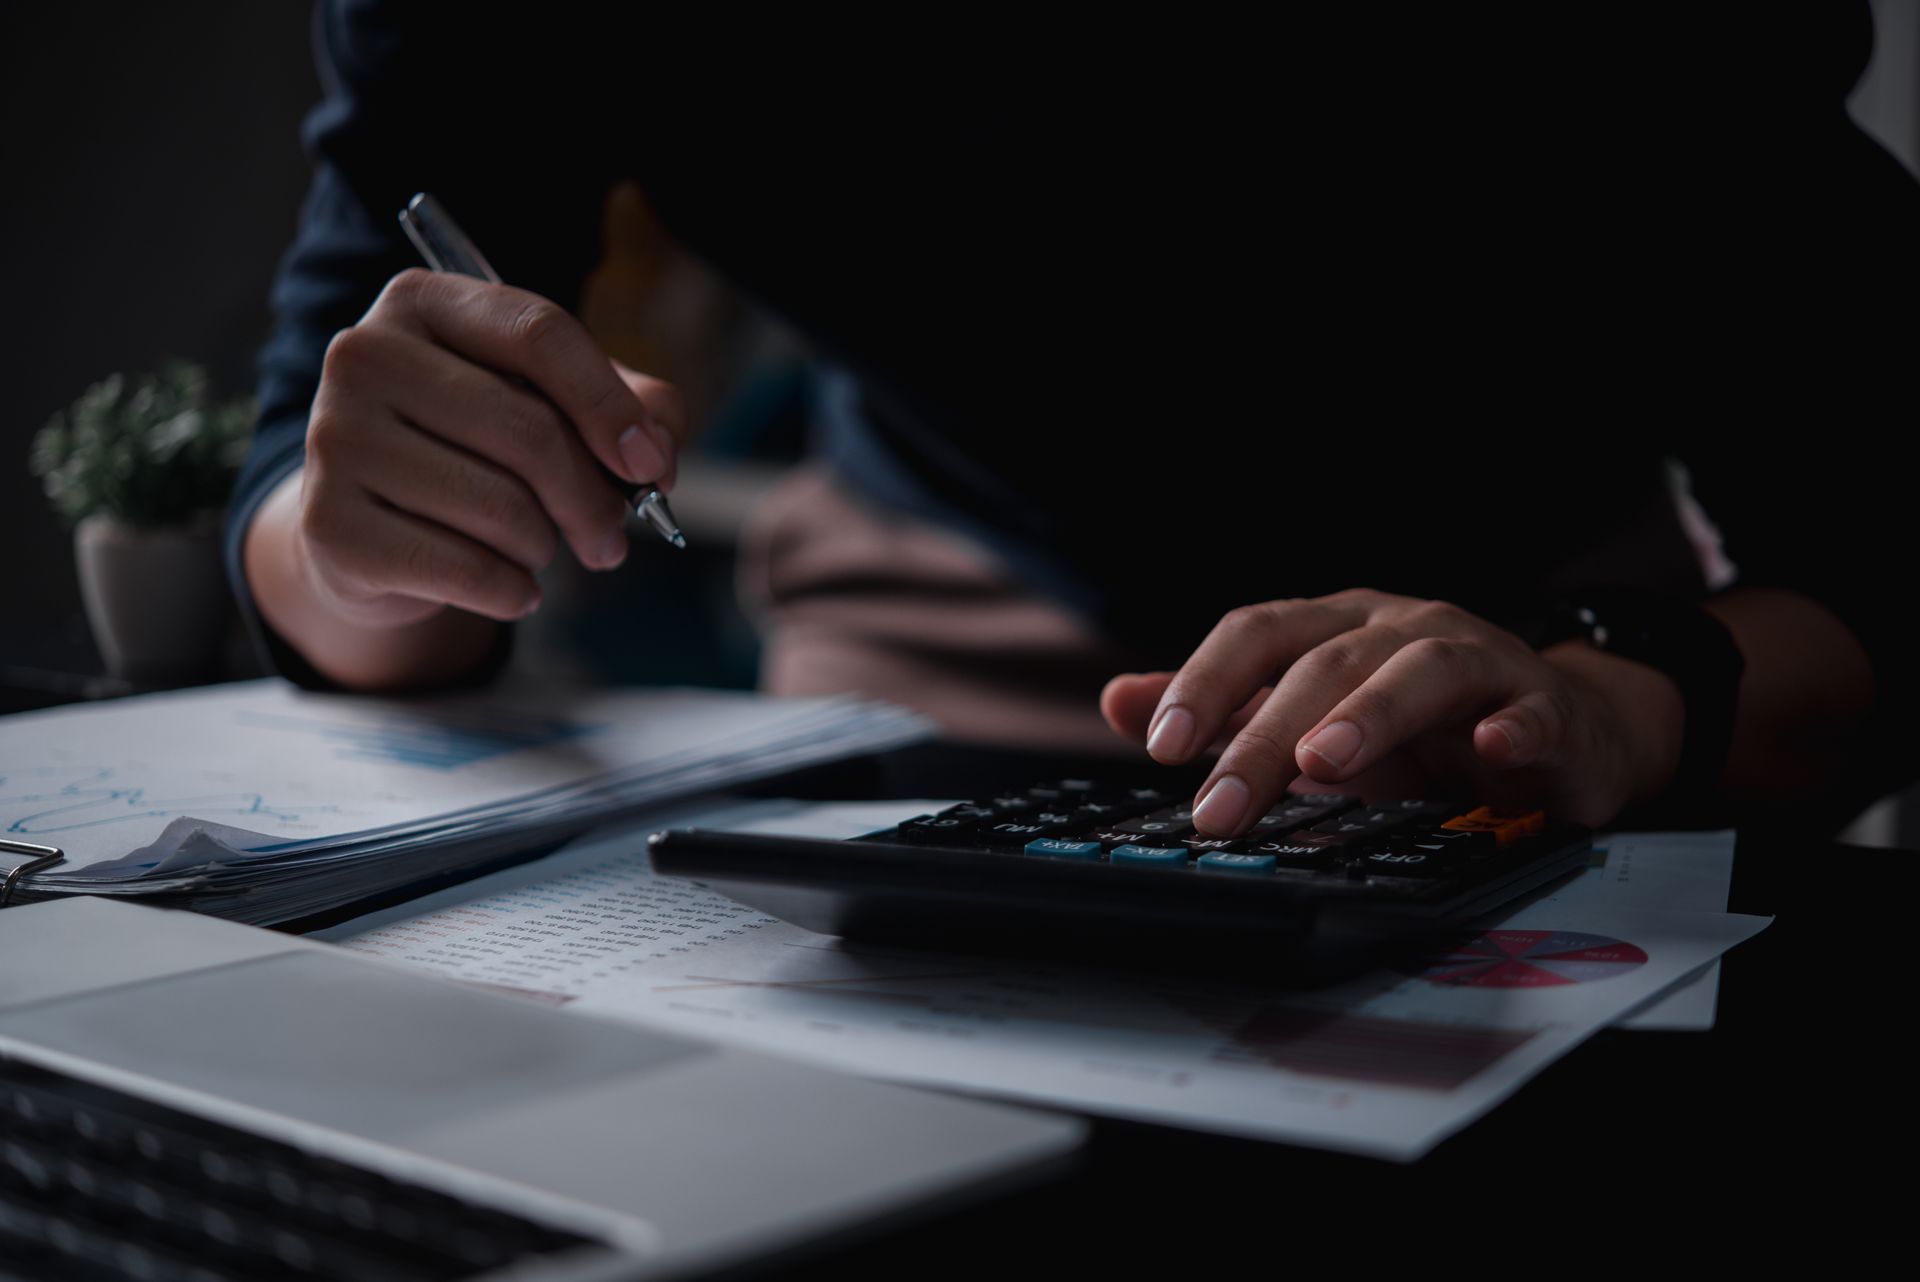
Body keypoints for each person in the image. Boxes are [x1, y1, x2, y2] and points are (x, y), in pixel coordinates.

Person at [230, 2, 1917, 839]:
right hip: (912, 668)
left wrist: (1611, 700)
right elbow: (314, 505)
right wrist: (366, 547)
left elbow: (1878, 549)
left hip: (1533, 681)